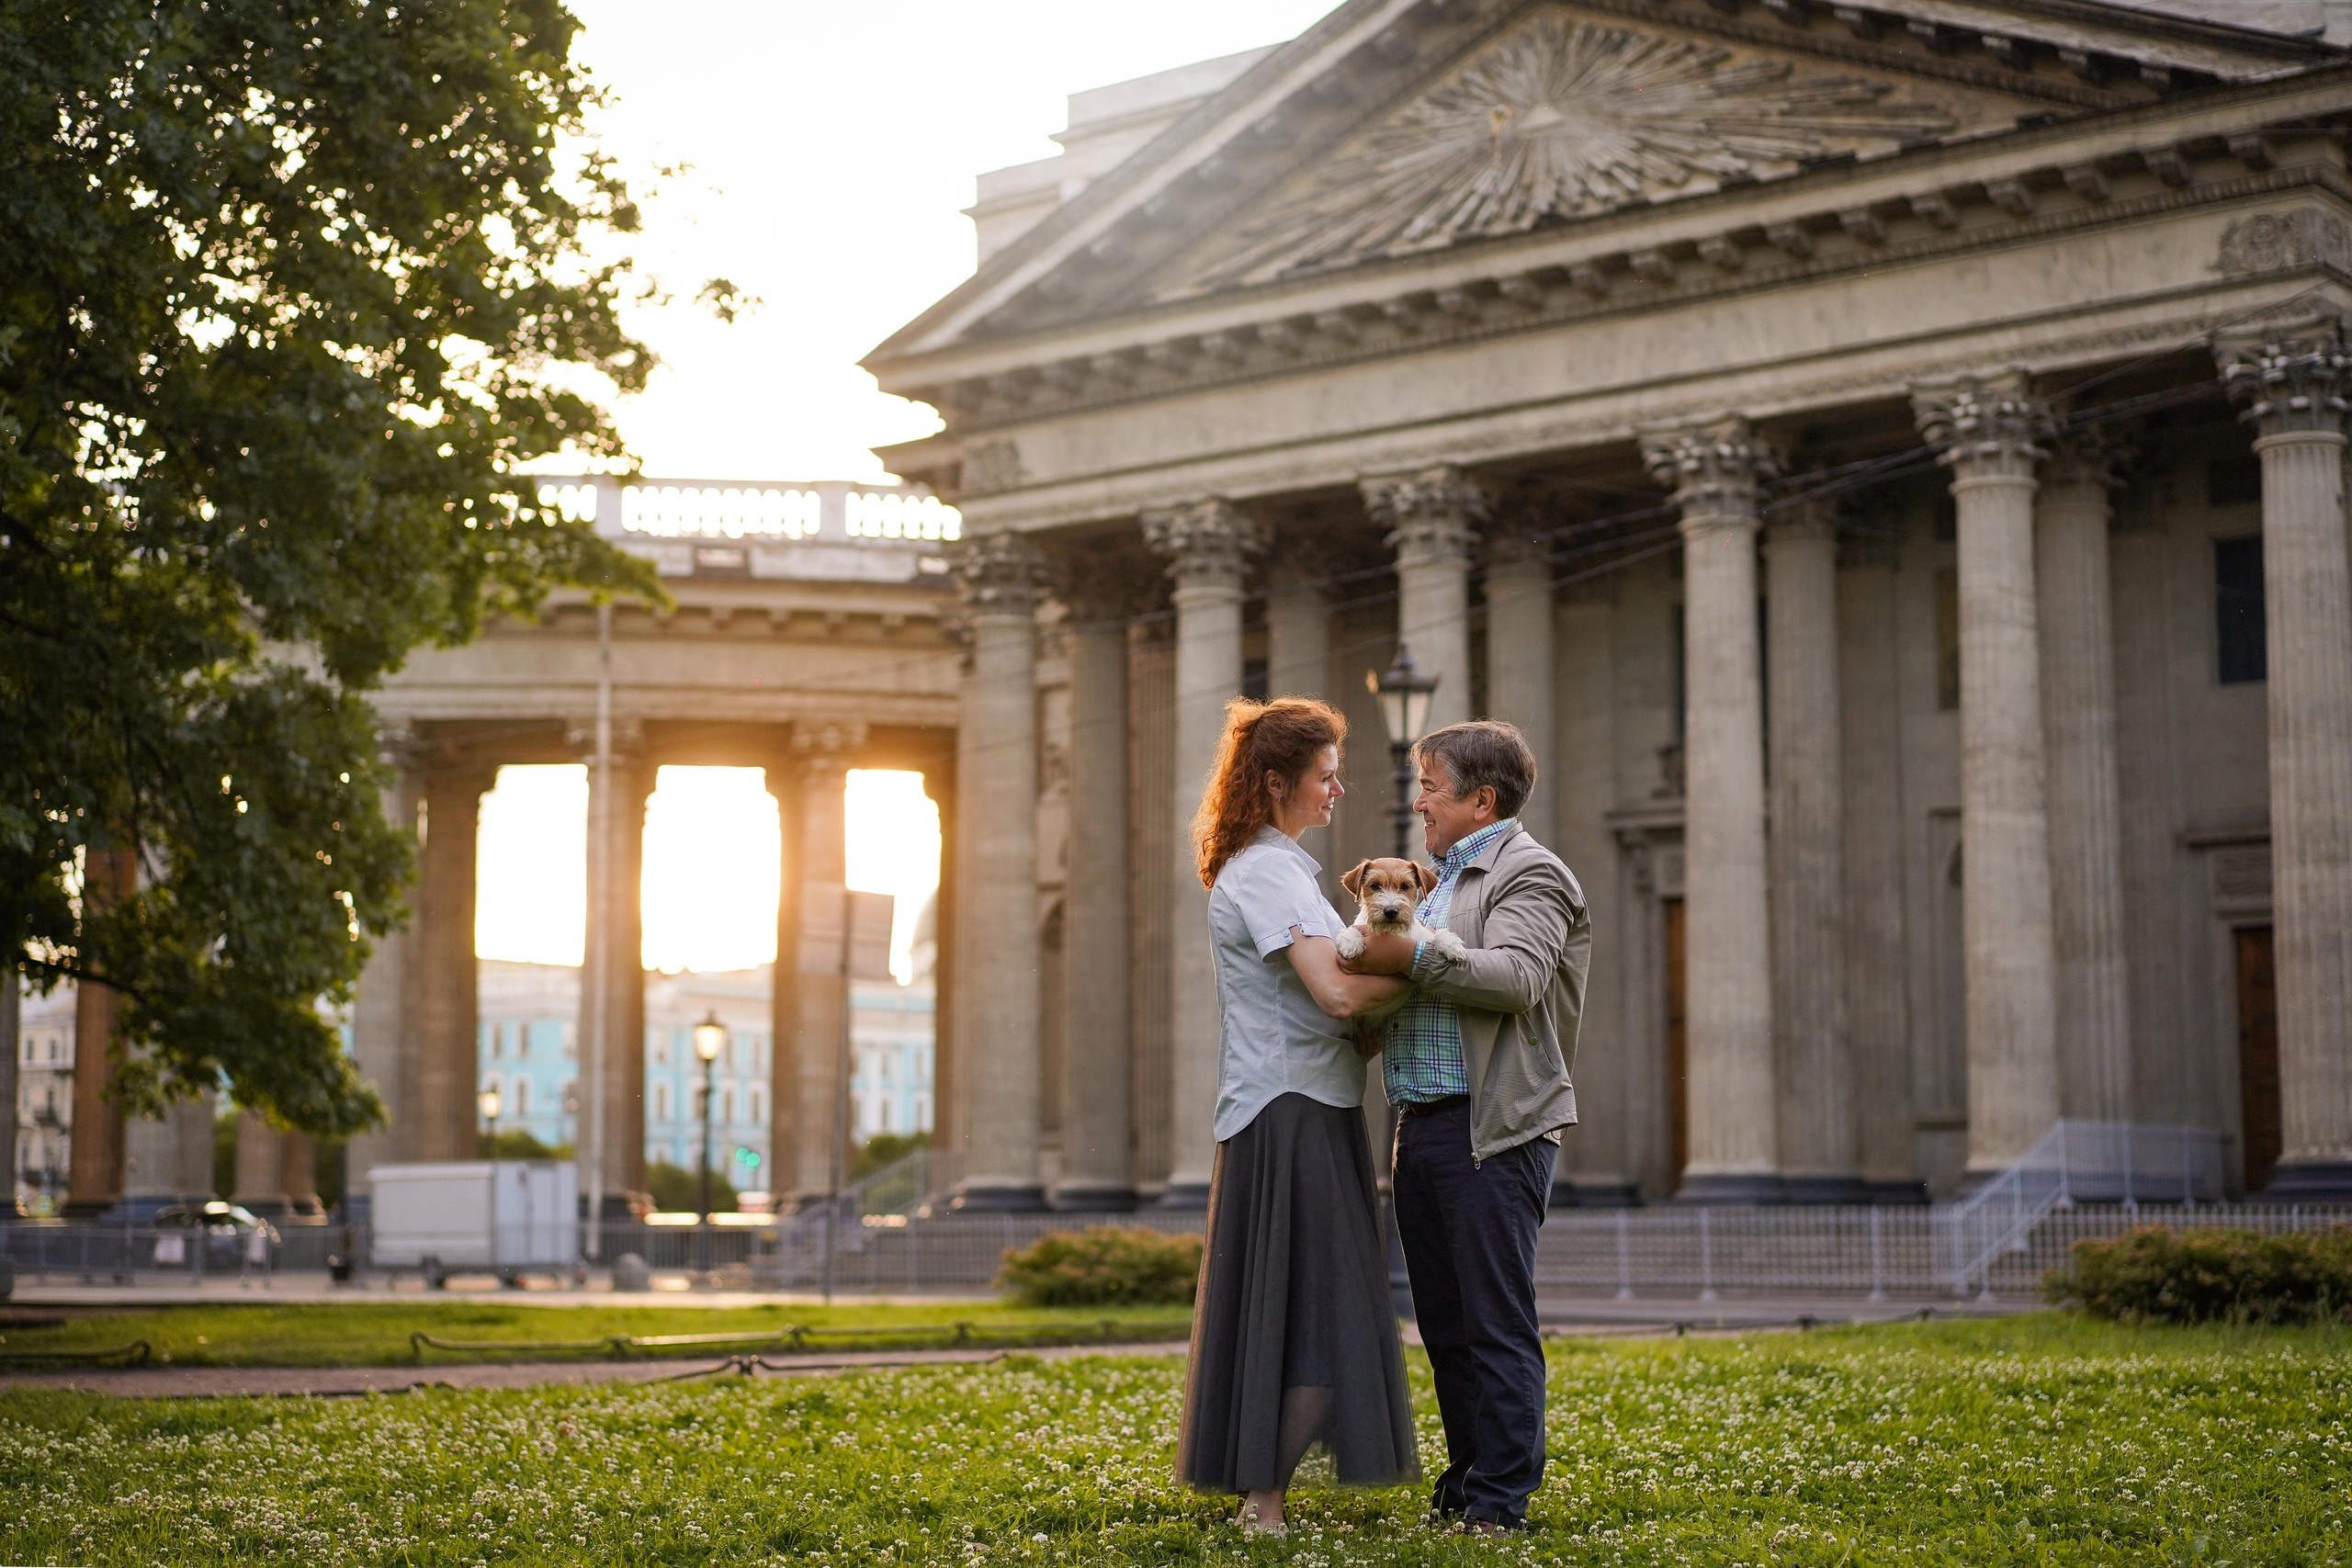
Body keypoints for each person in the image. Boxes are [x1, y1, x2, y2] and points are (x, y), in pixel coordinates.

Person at [1174, 695, 1419, 1536]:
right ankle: (1263, 1501)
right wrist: (1437, 971)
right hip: (1289, 1111)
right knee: (1324, 1309)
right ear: (1277, 782)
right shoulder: (1267, 872)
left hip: (1309, 1103)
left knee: (1312, 1305)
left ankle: (1262, 1494)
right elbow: (1338, 992)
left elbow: (1341, 1004)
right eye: (1326, 775)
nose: (1338, 789)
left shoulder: (1283, 869)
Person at [1339, 719, 1588, 1535]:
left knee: (1494, 1322)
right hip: (1421, 1126)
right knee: (1446, 1328)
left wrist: (1409, 958)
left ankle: (1500, 1501)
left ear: (1481, 800)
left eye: (1430, 787)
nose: (1418, 802)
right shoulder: (1438, 880)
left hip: (1493, 1128)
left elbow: (1516, 978)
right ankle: (1468, 1482)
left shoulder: (1530, 871)